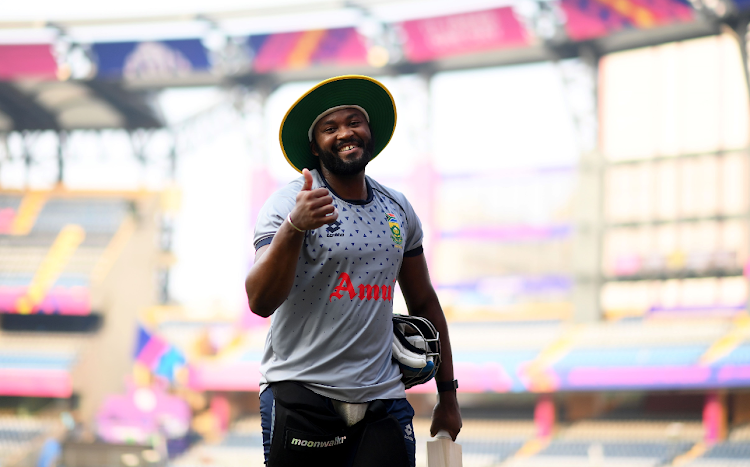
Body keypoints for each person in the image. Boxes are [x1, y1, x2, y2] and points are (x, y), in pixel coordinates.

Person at [245, 75, 461, 467]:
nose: (346, 133)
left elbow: (424, 300)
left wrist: (448, 396)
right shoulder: (286, 204)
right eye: (330, 128)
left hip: (384, 401)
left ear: (370, 133)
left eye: (354, 122)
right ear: (314, 146)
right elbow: (260, 301)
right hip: (302, 395)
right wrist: (295, 226)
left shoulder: (398, 208)